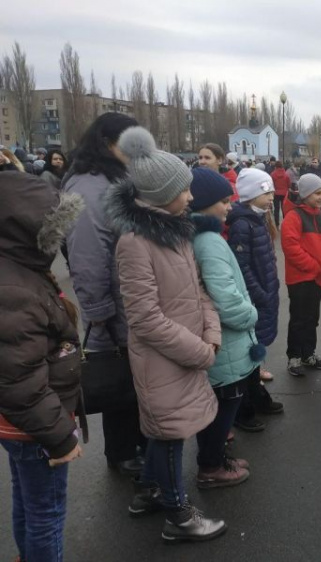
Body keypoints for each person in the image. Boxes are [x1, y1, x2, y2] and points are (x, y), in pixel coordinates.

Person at [106, 126, 227, 542]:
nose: (192, 198)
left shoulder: (177, 231)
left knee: (165, 432)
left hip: (185, 353)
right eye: (185, 190)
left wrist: (210, 333)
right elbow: (144, 318)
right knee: (171, 435)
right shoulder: (135, 243)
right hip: (163, 359)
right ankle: (178, 516)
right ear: (160, 194)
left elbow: (198, 291)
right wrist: (199, 350)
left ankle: (150, 493)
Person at [0, 172, 84, 562]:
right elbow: (18, 378)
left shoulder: (17, 268)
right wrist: (60, 435)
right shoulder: (15, 287)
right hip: (33, 427)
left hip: (22, 425)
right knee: (46, 513)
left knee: (28, 501)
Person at [63, 112, 146, 477]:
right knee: (118, 378)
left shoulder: (114, 178)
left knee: (133, 375)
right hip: (114, 306)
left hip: (129, 299)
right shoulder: (88, 186)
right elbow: (87, 254)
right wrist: (99, 312)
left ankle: (135, 445)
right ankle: (123, 453)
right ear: (108, 143)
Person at [189, 168, 265, 487]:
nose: (229, 207)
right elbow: (225, 298)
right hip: (229, 345)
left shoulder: (205, 236)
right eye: (223, 201)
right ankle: (211, 466)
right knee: (223, 408)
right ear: (205, 204)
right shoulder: (208, 241)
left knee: (220, 407)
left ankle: (216, 457)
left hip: (225, 343)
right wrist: (251, 315)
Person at [228, 168, 285, 428]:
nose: (272, 196)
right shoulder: (243, 224)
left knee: (255, 351)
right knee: (248, 353)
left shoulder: (258, 219)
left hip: (265, 293)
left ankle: (256, 396)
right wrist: (261, 292)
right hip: (255, 297)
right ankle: (244, 408)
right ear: (252, 195)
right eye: (267, 191)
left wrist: (272, 285)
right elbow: (243, 267)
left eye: (272, 191)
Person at [281, 174, 321, 376]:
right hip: (300, 278)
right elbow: (290, 247)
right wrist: (313, 266)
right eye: (317, 193)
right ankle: (294, 356)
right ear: (305, 194)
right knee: (299, 319)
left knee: (312, 318)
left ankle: (308, 354)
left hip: (316, 277)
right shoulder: (293, 217)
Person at [270, 160, 291, 226]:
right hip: (284, 194)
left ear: (275, 166)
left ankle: (277, 224)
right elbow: (289, 185)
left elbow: (271, 184)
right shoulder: (286, 174)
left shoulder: (272, 174)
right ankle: (285, 223)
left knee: (276, 209)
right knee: (284, 209)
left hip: (276, 194)